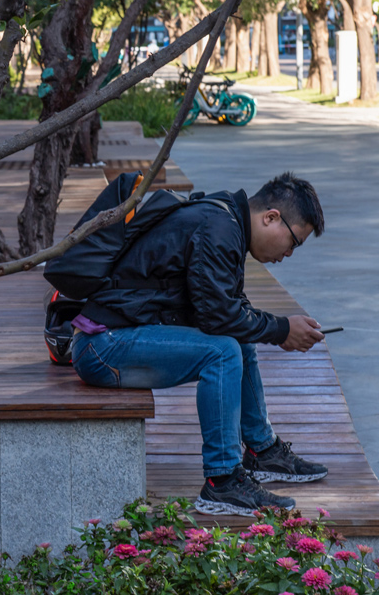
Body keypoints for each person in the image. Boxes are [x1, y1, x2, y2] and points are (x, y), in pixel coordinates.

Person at [70, 172, 327, 515]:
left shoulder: (225, 219)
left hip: (117, 338)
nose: (290, 253)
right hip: (102, 347)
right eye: (294, 242)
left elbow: (227, 311)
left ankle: (261, 450)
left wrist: (278, 328)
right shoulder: (218, 228)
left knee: (237, 340)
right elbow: (220, 318)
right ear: (271, 217)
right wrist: (282, 330)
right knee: (223, 352)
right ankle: (222, 481)